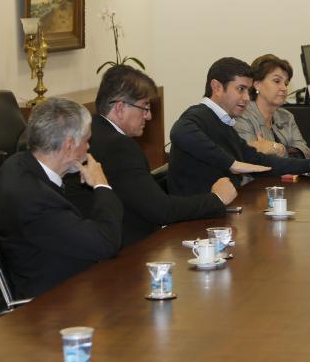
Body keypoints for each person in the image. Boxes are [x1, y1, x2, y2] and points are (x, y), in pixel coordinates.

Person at [81, 65, 236, 245]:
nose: (148, 116)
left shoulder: (94, 131)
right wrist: (216, 198)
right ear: (120, 108)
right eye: (144, 107)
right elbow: (161, 210)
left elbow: (138, 189)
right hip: (126, 251)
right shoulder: (119, 146)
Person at [0, 98, 123, 299]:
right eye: (86, 141)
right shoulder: (35, 201)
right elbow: (106, 244)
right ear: (69, 145)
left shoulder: (16, 164)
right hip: (53, 302)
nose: (88, 148)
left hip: (58, 276)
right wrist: (102, 185)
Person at [168, 57, 310, 196]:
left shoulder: (224, 122)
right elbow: (179, 131)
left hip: (218, 212)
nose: (246, 97)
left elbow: (260, 161)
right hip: (195, 225)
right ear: (217, 87)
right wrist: (232, 163)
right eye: (240, 89)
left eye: (247, 91)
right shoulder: (199, 114)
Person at [234, 54, 310, 160]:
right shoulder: (242, 116)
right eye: (277, 81)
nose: (284, 88)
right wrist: (288, 153)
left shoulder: (286, 116)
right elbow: (252, 159)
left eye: (286, 83)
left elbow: (307, 154)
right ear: (257, 84)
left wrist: (278, 149)